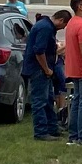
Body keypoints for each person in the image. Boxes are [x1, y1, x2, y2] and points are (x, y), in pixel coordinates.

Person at [23, 9, 69, 140]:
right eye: (64, 25)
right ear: (60, 20)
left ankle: (52, 128)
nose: (63, 28)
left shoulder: (46, 25)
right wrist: (46, 69)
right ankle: (41, 132)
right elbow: (38, 51)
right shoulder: (45, 28)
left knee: (49, 99)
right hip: (39, 69)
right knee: (40, 101)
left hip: (45, 69)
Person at [62, 0, 82, 147]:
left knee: (76, 101)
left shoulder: (71, 23)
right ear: (80, 7)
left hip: (72, 68)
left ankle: (73, 136)